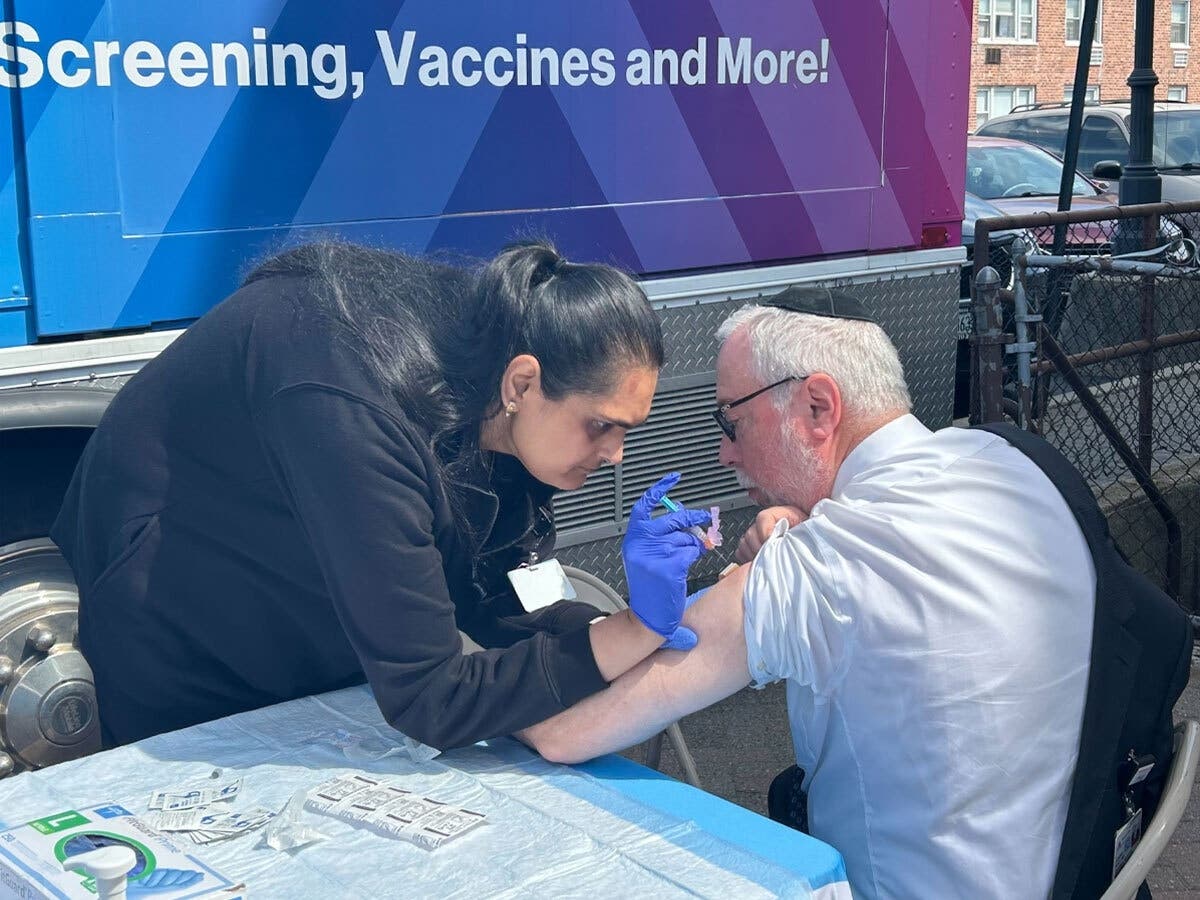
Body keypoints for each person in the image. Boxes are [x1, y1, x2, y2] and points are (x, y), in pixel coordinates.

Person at [519, 286, 1102, 898]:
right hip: (1072, 866)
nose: (723, 453)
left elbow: (564, 729)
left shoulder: (828, 563)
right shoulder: (1007, 463)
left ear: (819, 408)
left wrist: (473, 674)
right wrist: (804, 521)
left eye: (731, 421)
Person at [51, 239, 710, 749]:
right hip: (179, 619)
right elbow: (432, 698)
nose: (616, 455)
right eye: (601, 426)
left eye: (628, 431)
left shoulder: (502, 380)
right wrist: (629, 633)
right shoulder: (357, 404)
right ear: (522, 384)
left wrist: (593, 626)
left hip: (306, 599)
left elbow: (501, 593)